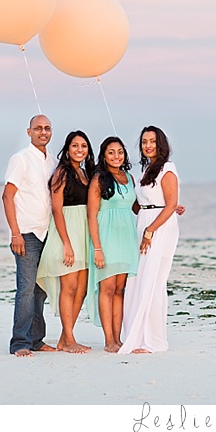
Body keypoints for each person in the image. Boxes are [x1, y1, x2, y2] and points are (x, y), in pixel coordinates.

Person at [118, 126, 180, 354]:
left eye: (152, 141)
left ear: (160, 143)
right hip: (144, 222)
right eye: (144, 141)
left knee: (153, 283)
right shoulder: (147, 170)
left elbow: (170, 204)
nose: (148, 145)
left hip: (158, 228)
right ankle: (138, 336)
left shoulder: (167, 169)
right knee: (139, 281)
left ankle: (153, 341)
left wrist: (150, 230)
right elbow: (144, 203)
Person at [2, 114, 58, 357]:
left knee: (40, 290)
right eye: (38, 128)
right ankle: (20, 343)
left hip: (48, 234)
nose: (42, 132)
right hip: (27, 233)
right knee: (25, 289)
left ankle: (36, 339)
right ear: (29, 132)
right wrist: (15, 233)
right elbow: (7, 196)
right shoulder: (20, 159)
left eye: (46, 128)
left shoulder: (52, 161)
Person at [36, 130, 95, 354]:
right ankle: (69, 340)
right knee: (69, 288)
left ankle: (64, 338)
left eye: (83, 146)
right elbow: (56, 209)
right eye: (75, 146)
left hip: (84, 234)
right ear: (68, 150)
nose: (79, 150)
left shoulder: (86, 173)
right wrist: (66, 243)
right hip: (67, 233)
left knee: (81, 289)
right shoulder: (62, 172)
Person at [86, 136, 139, 353]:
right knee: (106, 289)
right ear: (104, 155)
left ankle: (118, 338)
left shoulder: (129, 177)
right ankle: (109, 340)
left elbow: (137, 207)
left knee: (120, 289)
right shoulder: (99, 179)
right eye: (111, 152)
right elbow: (91, 214)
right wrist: (97, 248)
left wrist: (168, 208)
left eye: (119, 152)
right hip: (106, 238)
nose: (116, 156)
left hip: (127, 237)